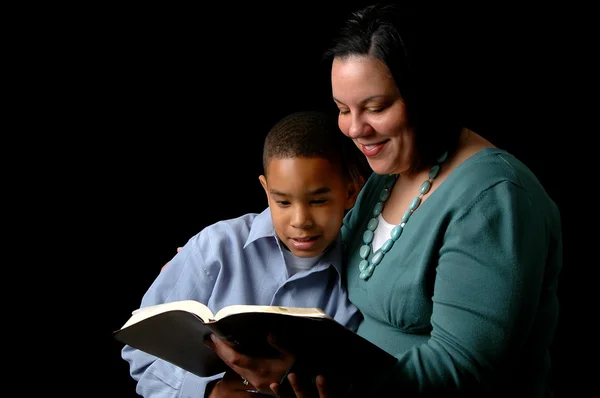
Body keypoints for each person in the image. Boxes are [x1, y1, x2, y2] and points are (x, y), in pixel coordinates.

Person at [204, 3, 563, 397]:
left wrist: (312, 375)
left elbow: (464, 368)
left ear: (424, 95)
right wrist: (216, 249)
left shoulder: (494, 199)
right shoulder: (388, 175)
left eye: (376, 107)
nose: (356, 129)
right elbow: (318, 227)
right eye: (343, 109)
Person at [121, 110, 370, 398]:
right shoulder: (215, 247)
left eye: (318, 201)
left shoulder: (356, 282)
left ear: (351, 192)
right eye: (283, 201)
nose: (300, 220)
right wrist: (209, 392)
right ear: (266, 190)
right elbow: (140, 351)